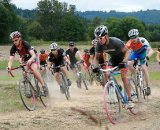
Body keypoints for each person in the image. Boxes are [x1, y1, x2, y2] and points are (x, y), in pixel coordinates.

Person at [93, 25, 133, 108]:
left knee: (123, 76)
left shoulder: (115, 42)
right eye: (97, 38)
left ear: (106, 36)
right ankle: (117, 86)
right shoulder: (99, 45)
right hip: (113, 60)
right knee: (107, 74)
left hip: (123, 59)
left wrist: (124, 61)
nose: (99, 40)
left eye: (101, 38)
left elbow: (128, 52)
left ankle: (129, 99)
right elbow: (96, 58)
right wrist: (95, 67)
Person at [8, 31, 48, 96]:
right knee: (24, 73)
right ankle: (30, 90)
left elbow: (33, 55)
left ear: (20, 38)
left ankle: (44, 86)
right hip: (25, 58)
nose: (14, 42)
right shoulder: (13, 47)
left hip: (33, 56)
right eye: (13, 41)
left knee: (34, 70)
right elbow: (10, 59)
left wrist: (31, 60)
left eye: (16, 40)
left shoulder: (25, 43)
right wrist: (9, 67)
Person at [126, 29, 153, 96]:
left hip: (143, 53)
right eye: (131, 38)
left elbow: (151, 50)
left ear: (138, 36)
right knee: (129, 64)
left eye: (134, 37)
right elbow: (125, 52)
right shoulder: (129, 43)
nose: (133, 39)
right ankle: (135, 76)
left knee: (144, 68)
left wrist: (147, 57)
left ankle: (148, 87)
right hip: (135, 53)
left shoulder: (143, 41)